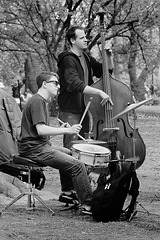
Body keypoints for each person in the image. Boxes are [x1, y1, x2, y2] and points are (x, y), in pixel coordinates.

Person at [18, 71, 93, 214]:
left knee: (71, 153)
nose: (58, 86)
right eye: (55, 83)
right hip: (34, 150)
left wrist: (59, 129)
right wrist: (67, 131)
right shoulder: (38, 101)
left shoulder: (40, 101)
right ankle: (89, 204)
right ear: (44, 84)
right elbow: (40, 130)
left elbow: (37, 133)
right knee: (78, 165)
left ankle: (68, 193)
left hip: (38, 145)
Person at [57, 26, 114, 149]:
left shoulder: (86, 57)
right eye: (82, 38)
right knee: (71, 146)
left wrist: (108, 56)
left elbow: (105, 73)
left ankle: (81, 168)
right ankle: (68, 168)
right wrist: (99, 92)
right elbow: (74, 83)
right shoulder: (67, 59)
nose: (86, 40)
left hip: (85, 107)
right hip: (70, 110)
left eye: (86, 37)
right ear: (73, 41)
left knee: (83, 146)